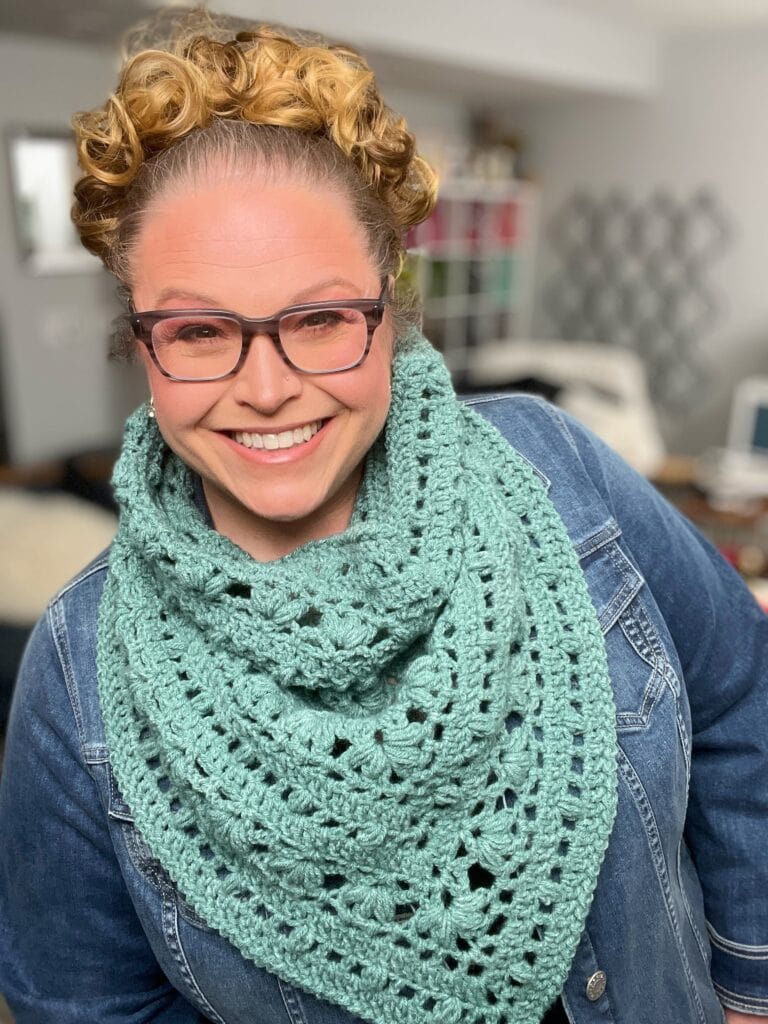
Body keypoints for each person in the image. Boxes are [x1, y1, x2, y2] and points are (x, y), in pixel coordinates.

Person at [0, 9, 765, 1024]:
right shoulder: (76, 670)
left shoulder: (561, 471)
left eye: (318, 318)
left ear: (392, 304)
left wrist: (751, 984)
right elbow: (86, 1009)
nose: (265, 389)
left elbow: (738, 697)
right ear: (139, 338)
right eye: (197, 328)